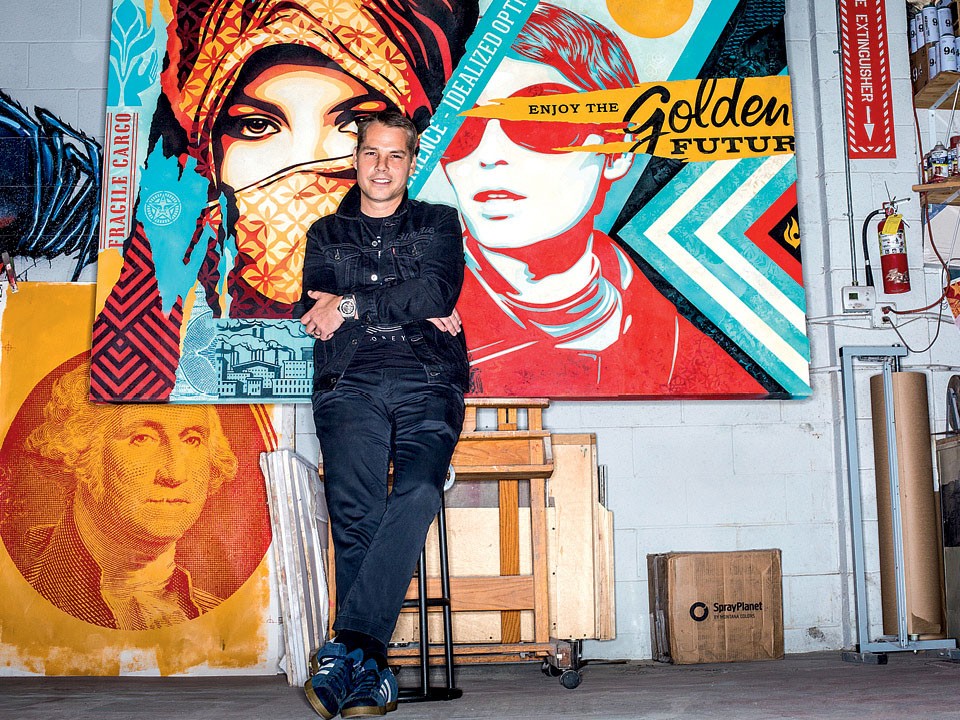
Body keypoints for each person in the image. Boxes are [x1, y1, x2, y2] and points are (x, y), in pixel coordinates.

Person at [90, 0, 477, 401]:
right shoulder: (165, 318)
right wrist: (408, 301)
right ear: (210, 154)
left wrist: (409, 302)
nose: (305, 164)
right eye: (257, 125)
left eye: (353, 123)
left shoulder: (432, 229)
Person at [441, 3, 765, 397]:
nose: (488, 154)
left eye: (540, 120)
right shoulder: (416, 317)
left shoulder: (700, 354)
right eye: (461, 128)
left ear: (617, 152)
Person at [295, 110, 468, 718]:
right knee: (355, 513)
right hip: (350, 379)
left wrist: (350, 303)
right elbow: (314, 311)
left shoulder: (439, 222)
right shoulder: (324, 232)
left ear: (411, 163)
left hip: (429, 376)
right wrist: (404, 299)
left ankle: (350, 648)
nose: (382, 166)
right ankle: (371, 675)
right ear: (356, 159)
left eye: (396, 155)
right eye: (372, 153)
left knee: (419, 489)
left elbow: (436, 292)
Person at [20, 365, 238, 630]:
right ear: (81, 451)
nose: (174, 474)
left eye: (192, 440)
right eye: (142, 438)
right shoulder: (20, 595)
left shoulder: (222, 617)